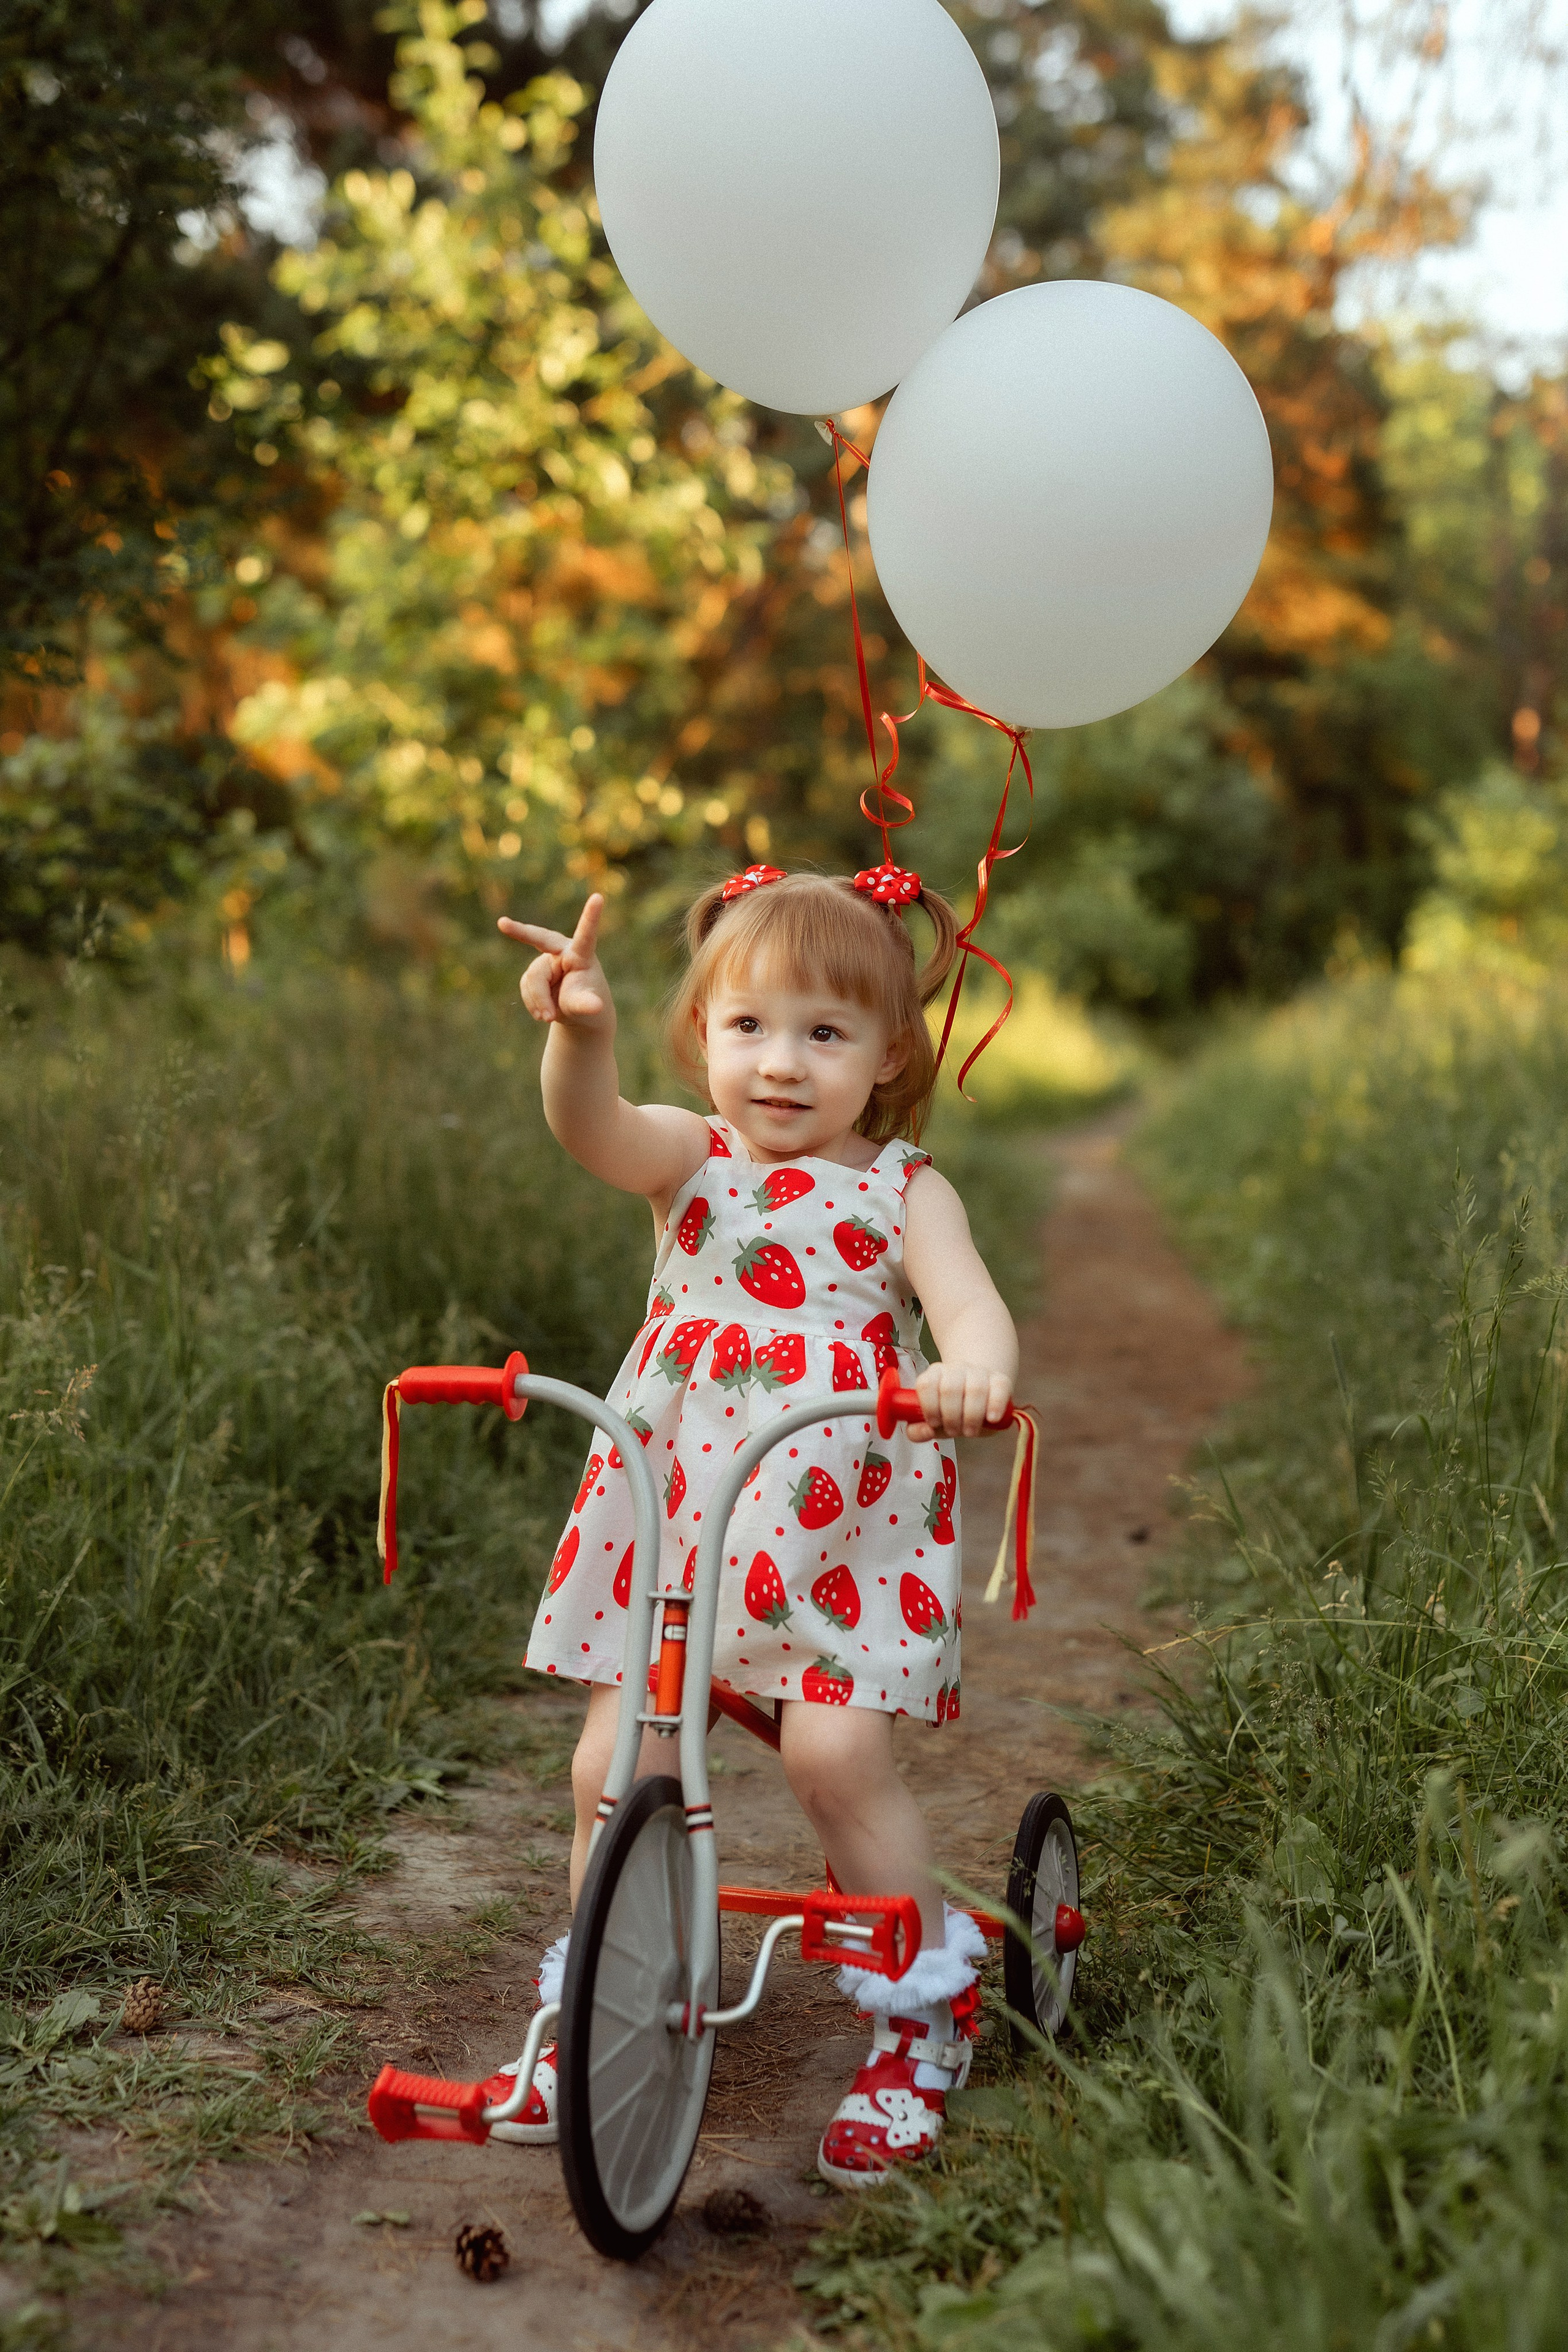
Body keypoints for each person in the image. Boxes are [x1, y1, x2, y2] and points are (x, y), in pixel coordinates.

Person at [479, 861, 1019, 2187]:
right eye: (748, 1027)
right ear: (702, 1039)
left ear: (888, 1053)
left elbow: (971, 1310)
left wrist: (973, 1372)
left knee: (834, 1761)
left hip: (835, 1536)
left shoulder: (903, 1193)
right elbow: (591, 1131)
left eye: (823, 1034)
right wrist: (579, 1036)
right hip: (676, 1517)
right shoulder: (691, 1157)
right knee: (610, 1767)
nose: (780, 1066)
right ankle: (606, 1995)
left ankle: (917, 2018)